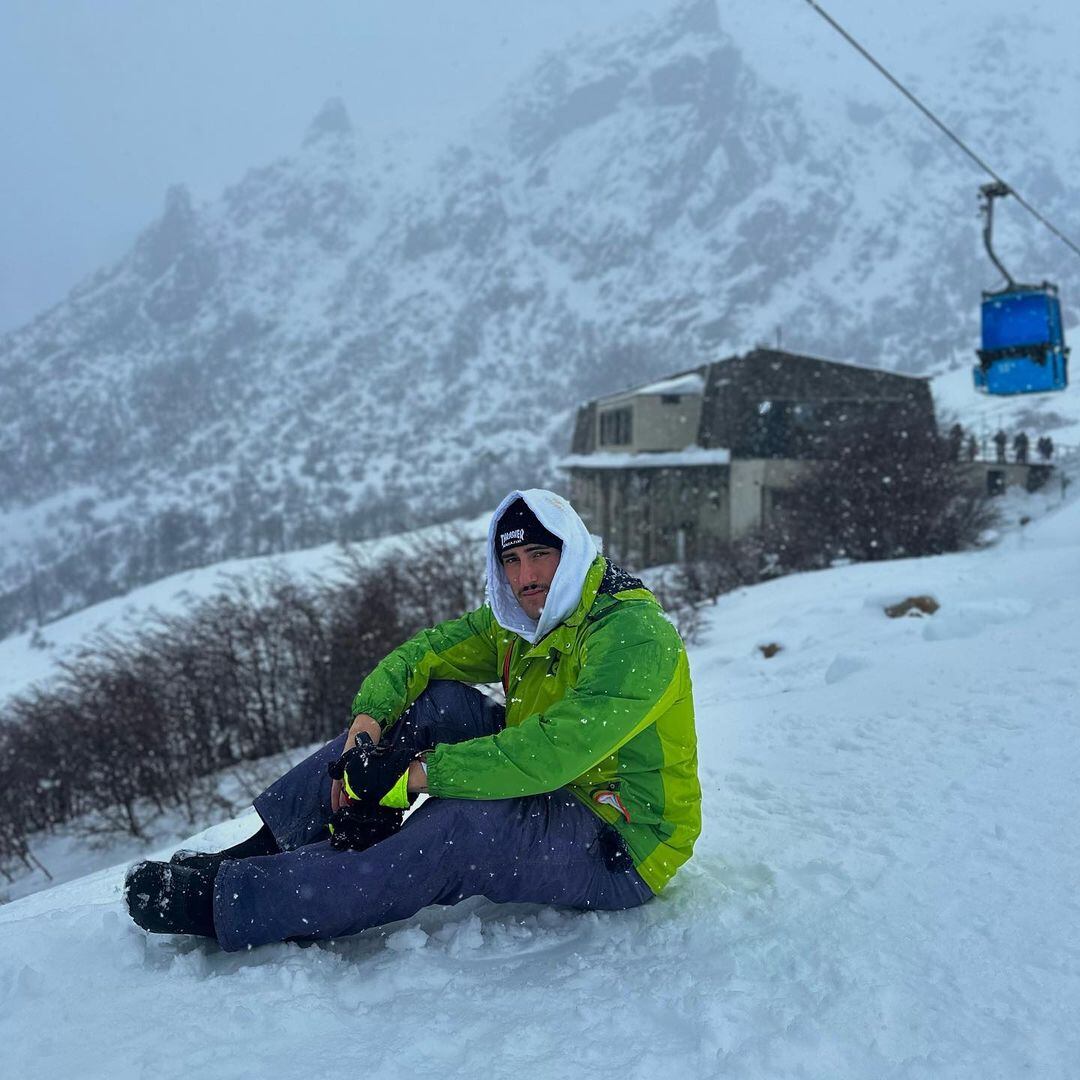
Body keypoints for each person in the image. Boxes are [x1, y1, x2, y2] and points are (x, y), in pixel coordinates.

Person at [125, 489, 701, 952]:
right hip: (558, 783)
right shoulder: (529, 617)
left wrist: (412, 775)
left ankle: (240, 900)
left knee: (462, 826)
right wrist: (365, 740)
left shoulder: (633, 637)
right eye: (512, 560)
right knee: (439, 703)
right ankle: (264, 848)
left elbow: (553, 753)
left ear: (572, 553)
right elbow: (420, 658)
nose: (526, 577)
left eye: (541, 555)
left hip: (619, 837)